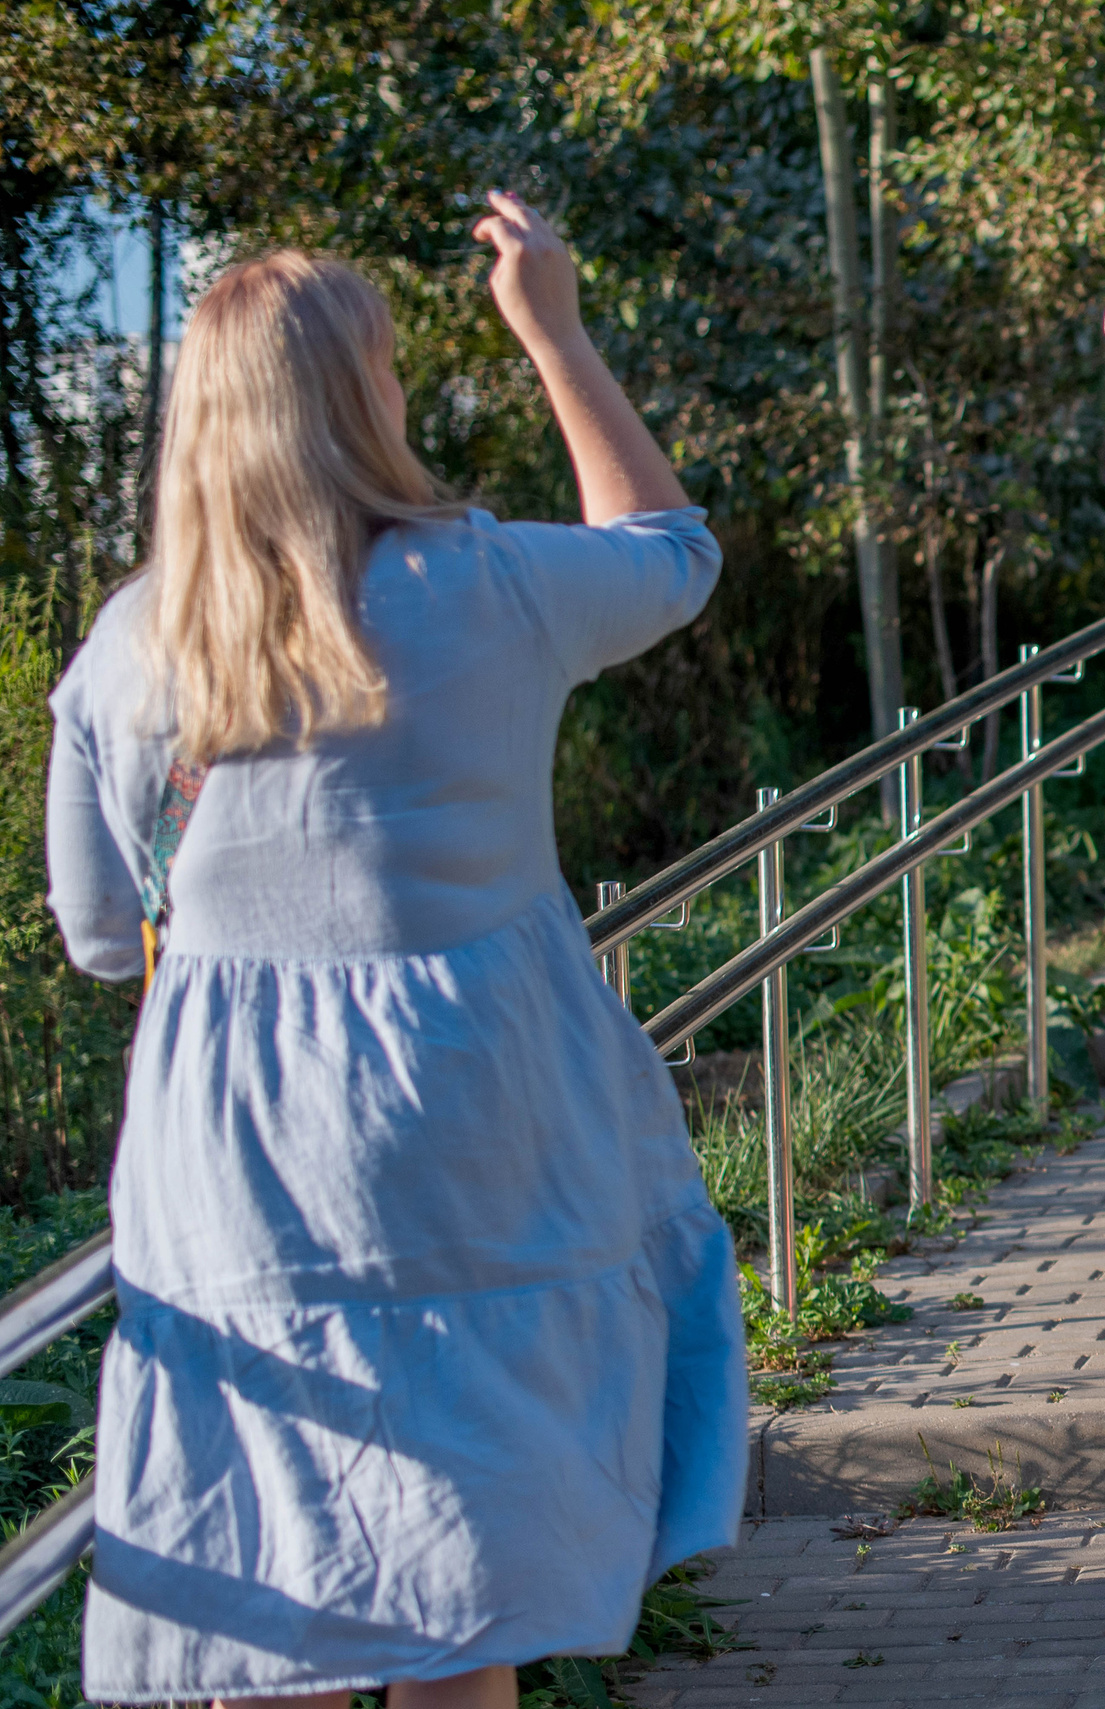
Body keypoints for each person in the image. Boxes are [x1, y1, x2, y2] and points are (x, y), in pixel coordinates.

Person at [44, 194, 745, 1704]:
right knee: (454, 1594)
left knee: (273, 1575)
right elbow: (670, 548)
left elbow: (104, 935)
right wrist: (550, 330)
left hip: (233, 1164)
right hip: (473, 1134)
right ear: (369, 401)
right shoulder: (485, 585)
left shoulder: (127, 652)